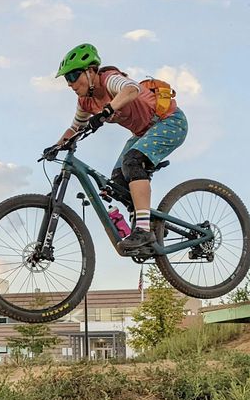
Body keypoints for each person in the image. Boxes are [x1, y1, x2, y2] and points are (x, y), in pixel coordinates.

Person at [46, 43, 188, 256]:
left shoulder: (109, 79)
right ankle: (148, 223)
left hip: (169, 121)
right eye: (67, 79)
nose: (70, 83)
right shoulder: (84, 102)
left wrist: (107, 109)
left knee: (132, 161)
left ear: (91, 71)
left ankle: (142, 230)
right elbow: (75, 128)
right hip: (143, 133)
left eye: (74, 75)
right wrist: (56, 147)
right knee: (117, 181)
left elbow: (131, 89)